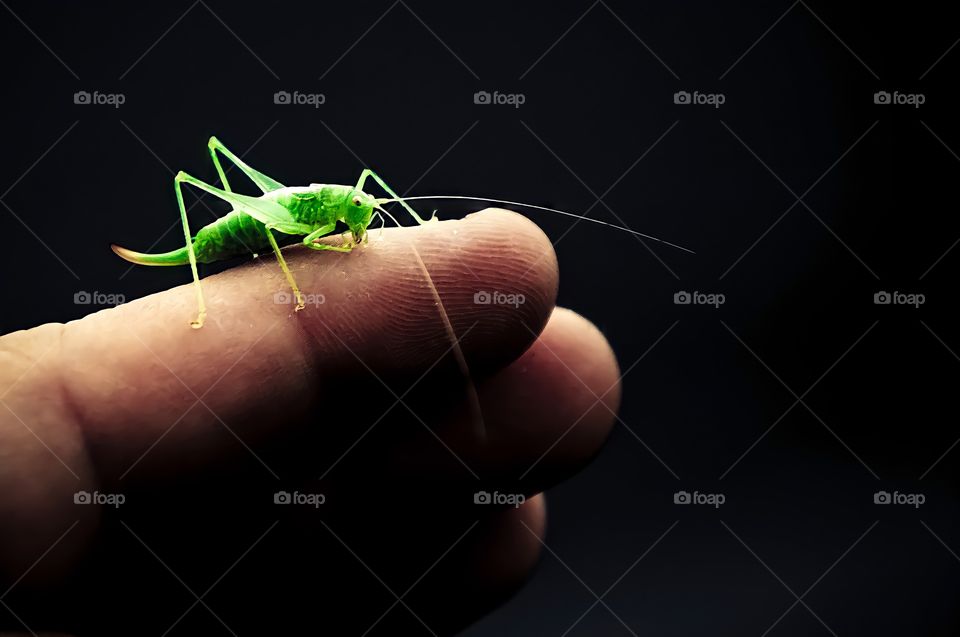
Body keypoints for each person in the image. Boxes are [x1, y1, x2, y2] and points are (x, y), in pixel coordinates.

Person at [0, 209, 620, 634]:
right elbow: (286, 234)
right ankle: (193, 286)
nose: (365, 223)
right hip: (260, 223)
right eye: (361, 214)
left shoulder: (345, 211)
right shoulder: (316, 215)